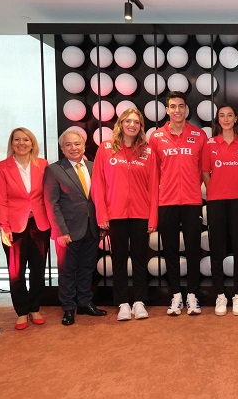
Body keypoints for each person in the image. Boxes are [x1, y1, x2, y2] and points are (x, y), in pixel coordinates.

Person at [92, 108, 158, 321]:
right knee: (118, 260)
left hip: (140, 214)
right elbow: (98, 184)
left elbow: (153, 186)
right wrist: (102, 214)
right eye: (128, 121)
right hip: (115, 214)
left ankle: (139, 301)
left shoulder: (147, 152)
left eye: (136, 122)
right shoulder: (106, 149)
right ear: (120, 124)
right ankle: (122, 303)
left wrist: (153, 217)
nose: (132, 125)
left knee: (140, 259)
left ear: (141, 127)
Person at [149, 91, 208, 316]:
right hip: (166, 202)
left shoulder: (199, 135)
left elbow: (203, 170)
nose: (177, 110)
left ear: (186, 109)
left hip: (192, 201)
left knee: (193, 249)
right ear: (167, 110)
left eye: (181, 106)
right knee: (170, 250)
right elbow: (154, 173)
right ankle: (176, 295)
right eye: (173, 106)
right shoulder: (156, 137)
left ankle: (192, 294)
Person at [43, 128, 107, 326]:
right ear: (62, 148)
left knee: (87, 268)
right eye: (68, 145)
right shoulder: (54, 170)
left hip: (92, 228)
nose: (73, 148)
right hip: (67, 231)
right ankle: (68, 308)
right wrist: (60, 232)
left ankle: (85, 303)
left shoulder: (94, 166)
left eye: (77, 144)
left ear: (83, 146)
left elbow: (100, 197)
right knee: (67, 271)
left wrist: (102, 224)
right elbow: (51, 203)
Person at [201, 104, 238, 316]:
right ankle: (220, 296)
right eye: (221, 116)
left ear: (235, 119)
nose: (225, 119)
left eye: (229, 115)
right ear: (218, 120)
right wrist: (215, 188)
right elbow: (205, 172)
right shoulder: (210, 143)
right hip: (216, 201)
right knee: (216, 249)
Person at [0, 128, 51, 330]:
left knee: (38, 269)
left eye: (25, 139)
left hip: (40, 224)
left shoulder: (43, 165)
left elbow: (48, 195)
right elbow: (0, 199)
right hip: (13, 225)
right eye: (17, 140)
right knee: (16, 272)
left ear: (32, 143)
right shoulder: (1, 167)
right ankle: (21, 311)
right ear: (11, 143)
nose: (21, 143)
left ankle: (34, 308)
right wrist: (3, 226)